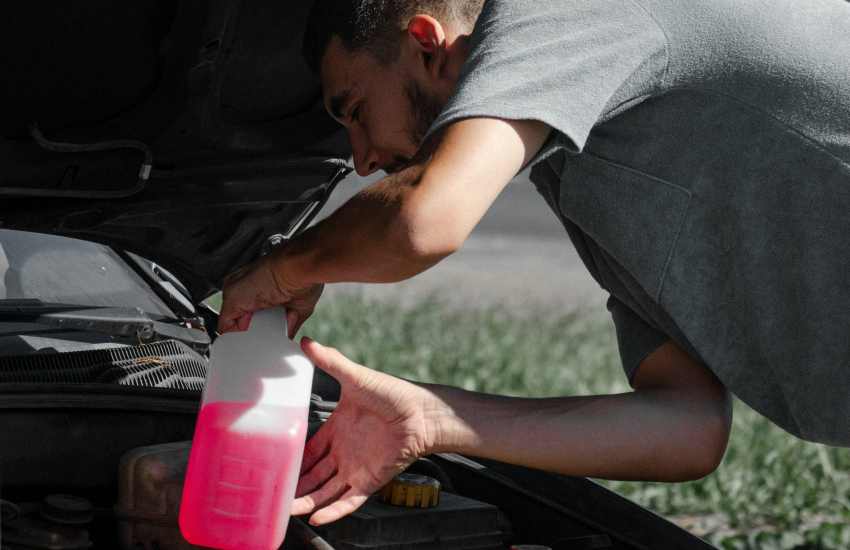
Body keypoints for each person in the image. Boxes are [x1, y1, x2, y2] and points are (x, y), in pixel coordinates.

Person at [219, 0, 850, 527]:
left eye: (355, 112)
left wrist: (283, 269)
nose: (358, 159)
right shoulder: (582, 170)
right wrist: (432, 417)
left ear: (425, 43)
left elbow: (421, 218)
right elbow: (687, 425)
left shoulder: (558, 6)